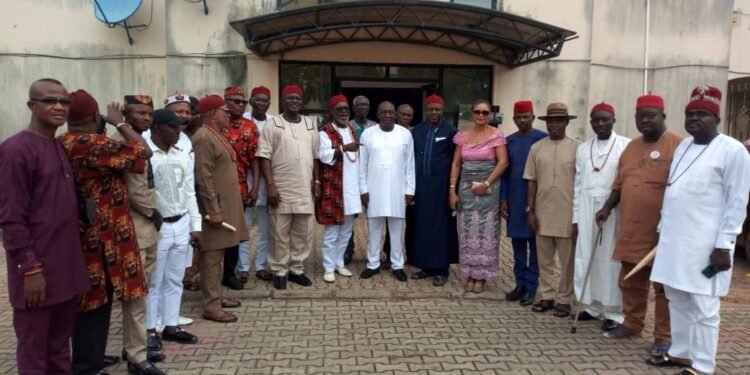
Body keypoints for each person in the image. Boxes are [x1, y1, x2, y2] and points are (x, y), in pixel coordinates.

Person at [647, 86, 750, 375]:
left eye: (702, 114)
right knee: (676, 298)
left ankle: (703, 366)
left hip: (707, 247)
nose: (694, 119)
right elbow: (673, 192)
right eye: (690, 114)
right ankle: (681, 354)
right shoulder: (683, 146)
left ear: (716, 118)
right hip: (675, 242)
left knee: (704, 307)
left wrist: (725, 245)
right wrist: (661, 230)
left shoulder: (733, 150)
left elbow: (737, 201)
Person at [59, 90, 162, 375]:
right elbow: (144, 151)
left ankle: (90, 358)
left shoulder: (64, 141)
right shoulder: (91, 143)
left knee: (95, 302)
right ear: (95, 117)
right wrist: (119, 123)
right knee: (97, 302)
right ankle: (88, 365)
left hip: (95, 233)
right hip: (104, 236)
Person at [0, 78, 89, 375]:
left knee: (60, 348)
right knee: (34, 351)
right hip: (36, 273)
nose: (59, 107)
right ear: (32, 106)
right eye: (50, 101)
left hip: (65, 268)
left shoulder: (57, 146)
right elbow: (11, 218)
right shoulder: (16, 150)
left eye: (64, 102)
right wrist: (30, 268)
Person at [596, 93, 681, 356]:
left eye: (650, 116)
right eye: (640, 116)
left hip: (662, 232)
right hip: (631, 229)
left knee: (664, 287)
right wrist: (607, 207)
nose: (644, 121)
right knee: (630, 281)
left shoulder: (678, 146)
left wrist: (667, 228)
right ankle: (632, 324)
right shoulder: (631, 148)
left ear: (663, 116)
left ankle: (665, 337)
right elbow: (620, 184)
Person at [108, 95, 166, 367]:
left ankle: (135, 347)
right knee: (136, 296)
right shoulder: (123, 143)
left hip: (147, 227)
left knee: (143, 292)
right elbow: (133, 190)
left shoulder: (136, 140)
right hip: (134, 227)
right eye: (139, 113)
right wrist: (152, 212)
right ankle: (137, 357)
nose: (146, 117)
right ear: (125, 116)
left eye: (149, 113)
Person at [146, 109, 202, 352]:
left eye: (180, 127)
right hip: (158, 226)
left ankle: (171, 325)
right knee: (153, 281)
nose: (179, 132)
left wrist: (196, 225)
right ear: (157, 128)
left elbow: (190, 190)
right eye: (173, 128)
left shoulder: (183, 154)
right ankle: (149, 329)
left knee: (175, 278)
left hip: (182, 223)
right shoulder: (147, 153)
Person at [572, 102, 630, 332]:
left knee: (610, 259)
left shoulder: (626, 146)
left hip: (612, 208)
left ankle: (614, 311)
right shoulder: (583, 149)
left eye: (604, 119)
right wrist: (575, 218)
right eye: (595, 120)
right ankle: (594, 305)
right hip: (586, 206)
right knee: (587, 256)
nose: (600, 124)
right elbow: (577, 184)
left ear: (613, 119)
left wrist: (610, 205)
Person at [191, 95, 249, 323]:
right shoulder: (204, 137)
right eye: (225, 111)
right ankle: (211, 306)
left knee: (220, 254)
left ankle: (217, 297)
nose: (229, 114)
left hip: (226, 207)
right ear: (213, 113)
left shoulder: (216, 135)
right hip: (214, 211)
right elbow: (203, 177)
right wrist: (213, 209)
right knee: (211, 258)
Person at [256, 85, 320, 290]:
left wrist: (317, 181)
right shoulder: (273, 124)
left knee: (303, 232)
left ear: (302, 102)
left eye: (297, 98)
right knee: (279, 232)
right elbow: (263, 156)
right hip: (280, 188)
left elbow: (316, 156)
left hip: (304, 188)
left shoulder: (310, 125)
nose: (294, 101)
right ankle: (280, 270)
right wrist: (270, 185)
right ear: (283, 101)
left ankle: (296, 269)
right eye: (290, 98)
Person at [524, 102, 580, 317]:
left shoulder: (578, 147)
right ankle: (547, 296)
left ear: (566, 122)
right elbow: (531, 180)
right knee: (544, 259)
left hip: (567, 213)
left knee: (567, 262)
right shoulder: (537, 148)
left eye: (559, 120)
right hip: (543, 211)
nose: (555, 125)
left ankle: (564, 299)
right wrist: (530, 209)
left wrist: (578, 216)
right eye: (551, 121)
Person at [449, 99, 508, 293]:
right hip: (466, 190)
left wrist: (486, 183)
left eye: (485, 112)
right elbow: (456, 164)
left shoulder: (496, 135)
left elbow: (503, 162)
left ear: (490, 114)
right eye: (477, 112)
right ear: (471, 114)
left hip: (488, 190)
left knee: (486, 231)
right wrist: (452, 190)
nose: (481, 115)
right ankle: (470, 273)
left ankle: (482, 276)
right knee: (467, 232)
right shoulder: (462, 136)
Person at [359, 101, 415, 282]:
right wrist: (363, 190)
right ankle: (372, 264)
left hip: (398, 190)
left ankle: (397, 265)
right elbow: (362, 165)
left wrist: (410, 189)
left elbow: (410, 165)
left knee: (397, 230)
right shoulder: (368, 134)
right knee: (374, 229)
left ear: (395, 115)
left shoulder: (405, 134)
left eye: (391, 112)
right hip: (373, 189)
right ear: (378, 114)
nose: (388, 115)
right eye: (384, 112)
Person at [408, 94, 459, 286]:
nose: (434, 112)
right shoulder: (417, 131)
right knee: (421, 225)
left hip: (441, 188)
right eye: (431, 109)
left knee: (440, 227)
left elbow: (456, 162)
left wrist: (453, 190)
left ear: (442, 110)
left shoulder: (451, 131)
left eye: (437, 109)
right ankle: (424, 265)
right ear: (426, 110)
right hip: (421, 187)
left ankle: (441, 269)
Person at [500, 100, 547, 306]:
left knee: (535, 246)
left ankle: (531, 286)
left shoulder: (543, 140)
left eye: (526, 117)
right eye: (519, 117)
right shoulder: (509, 141)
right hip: (514, 198)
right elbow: (505, 172)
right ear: (514, 119)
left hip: (538, 201)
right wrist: (503, 199)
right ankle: (519, 284)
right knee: (517, 245)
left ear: (533, 118)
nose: (522, 120)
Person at [315, 95, 360, 282]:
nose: (343, 112)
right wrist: (344, 149)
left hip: (352, 188)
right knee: (331, 232)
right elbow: (324, 156)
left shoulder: (352, 129)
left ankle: (339, 263)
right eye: (339, 109)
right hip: (333, 188)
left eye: (346, 109)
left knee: (346, 231)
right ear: (331, 112)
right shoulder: (325, 131)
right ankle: (328, 267)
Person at [221, 86, 260, 289]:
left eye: (243, 102)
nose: (240, 105)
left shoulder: (249, 127)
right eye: (235, 101)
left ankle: (230, 273)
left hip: (240, 186)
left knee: (235, 231)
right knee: (213, 231)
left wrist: (254, 188)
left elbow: (255, 159)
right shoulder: (215, 123)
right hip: (214, 187)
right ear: (225, 101)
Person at [239, 86, 275, 282]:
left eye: (265, 100)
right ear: (251, 101)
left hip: (268, 182)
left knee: (265, 229)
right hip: (247, 182)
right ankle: (243, 267)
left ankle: (261, 266)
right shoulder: (242, 120)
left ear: (269, 103)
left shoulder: (274, 122)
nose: (261, 103)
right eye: (258, 100)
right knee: (244, 228)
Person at [344, 95, 378, 265]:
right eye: (360, 105)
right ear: (354, 107)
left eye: (366, 104)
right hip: (351, 176)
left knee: (373, 216)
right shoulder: (347, 126)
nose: (363, 107)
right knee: (350, 216)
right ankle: (348, 250)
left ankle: (374, 252)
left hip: (372, 178)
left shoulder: (375, 126)